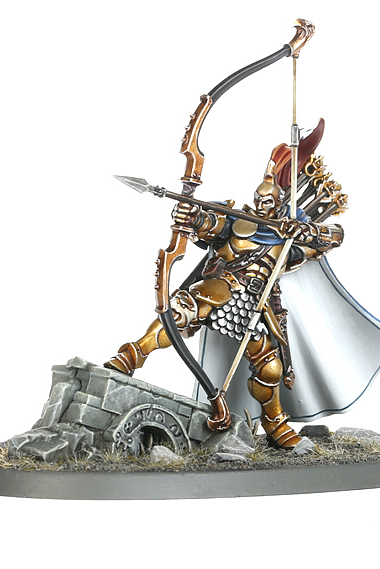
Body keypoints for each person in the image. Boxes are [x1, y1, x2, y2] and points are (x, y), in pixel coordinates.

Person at [105, 127, 344, 450]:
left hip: (258, 304)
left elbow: (334, 236)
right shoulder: (238, 220)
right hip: (222, 285)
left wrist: (305, 231)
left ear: (278, 204)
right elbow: (211, 225)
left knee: (270, 368)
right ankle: (131, 356)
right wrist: (193, 217)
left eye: (269, 201)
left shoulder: (291, 235)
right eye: (258, 199)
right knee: (179, 312)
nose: (262, 205)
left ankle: (275, 423)